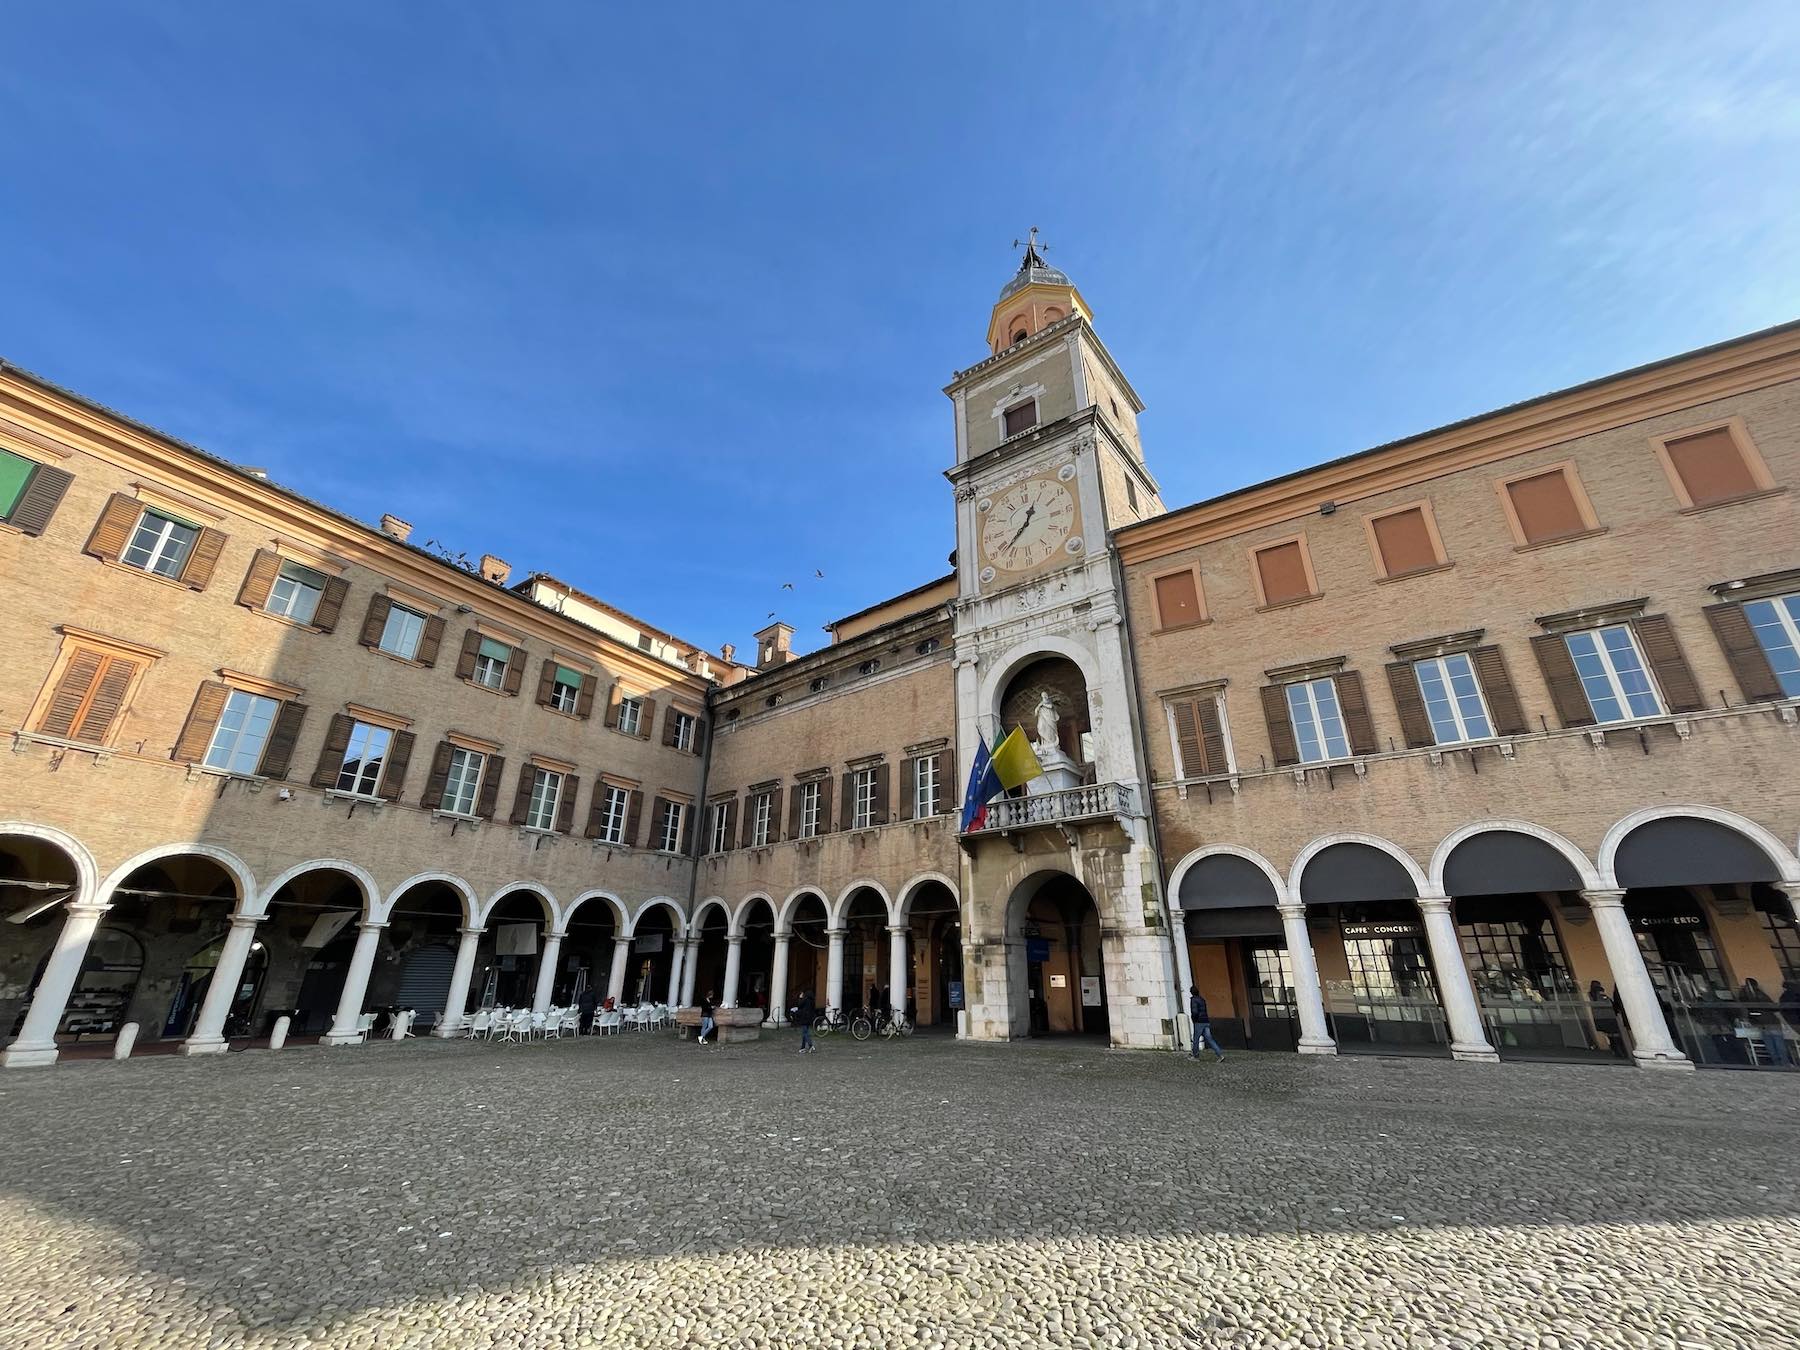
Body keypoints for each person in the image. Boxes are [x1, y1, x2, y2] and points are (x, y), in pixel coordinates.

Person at [1188, 985, 1224, 1062]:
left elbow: (1195, 1012)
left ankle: (1195, 1056)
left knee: (1196, 1039)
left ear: (1191, 992)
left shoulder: (1194, 1000)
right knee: (1210, 1039)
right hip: (1205, 1021)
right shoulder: (1202, 999)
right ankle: (1220, 1055)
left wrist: (1194, 1019)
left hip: (1199, 1022)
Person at [794, 988, 816, 1053]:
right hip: (809, 1018)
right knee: (804, 1033)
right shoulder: (812, 1001)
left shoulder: (805, 1000)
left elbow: (799, 1005)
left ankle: (810, 1045)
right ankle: (802, 1048)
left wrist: (800, 998)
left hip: (804, 1018)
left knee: (805, 1033)